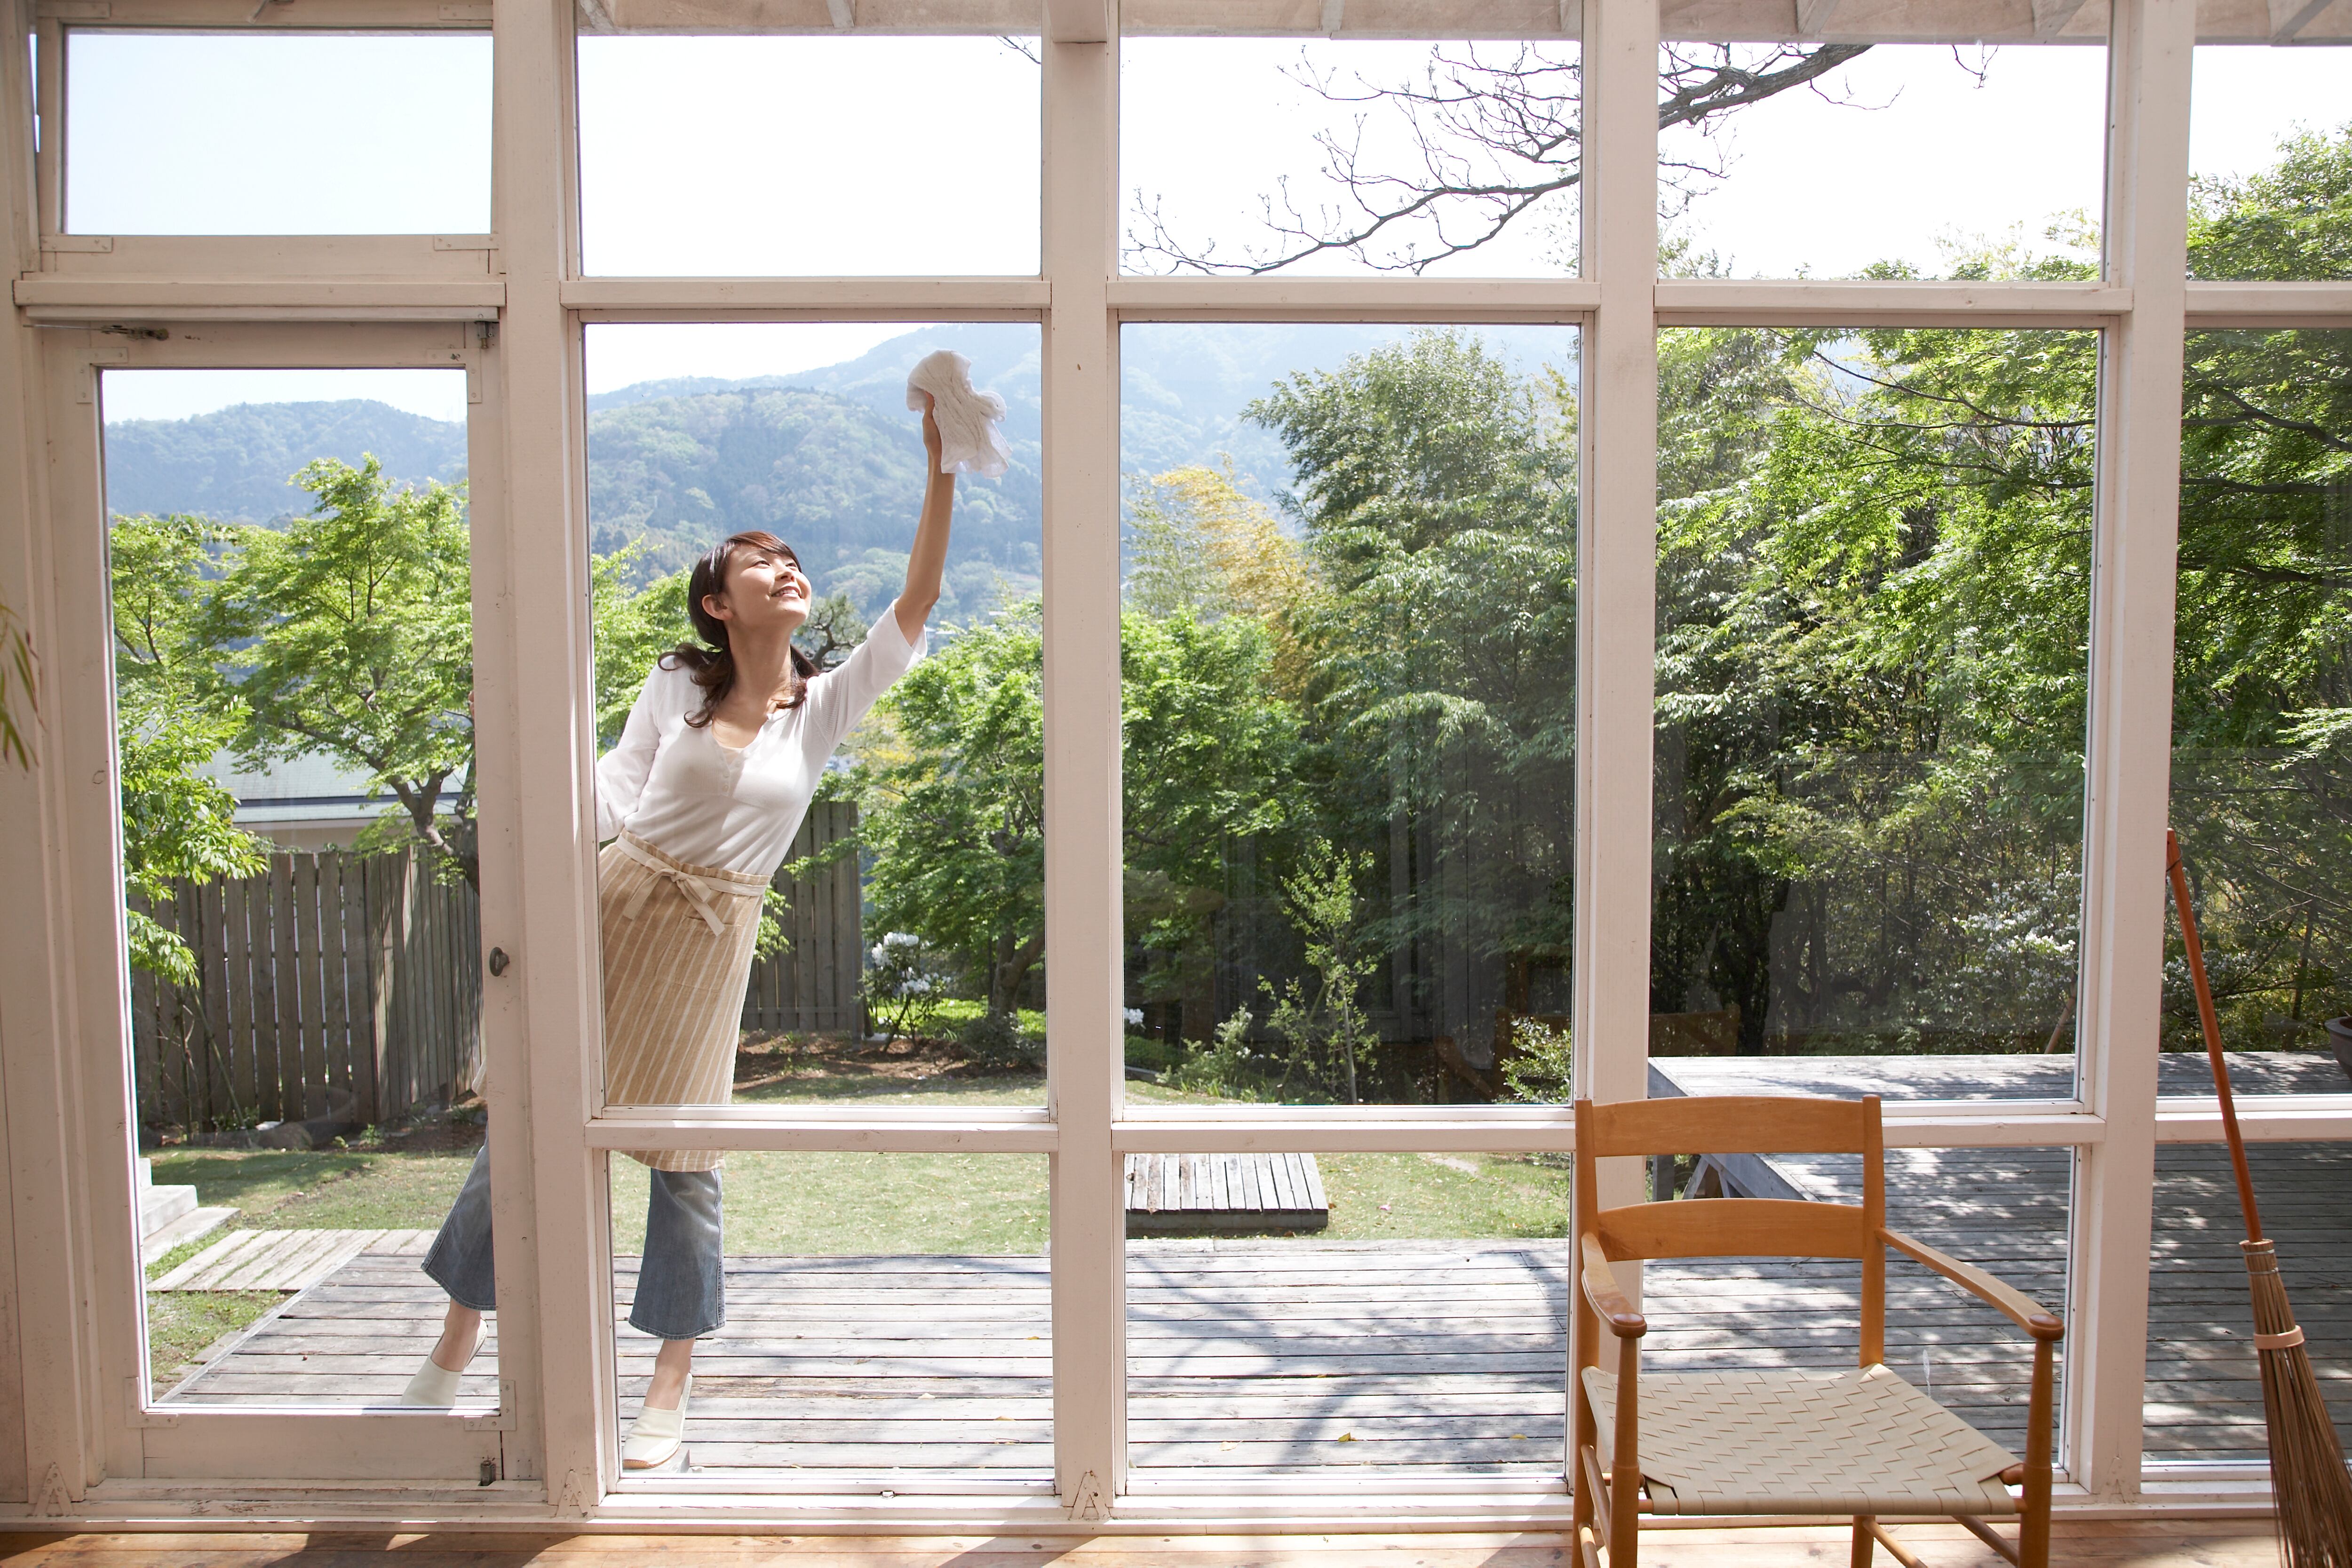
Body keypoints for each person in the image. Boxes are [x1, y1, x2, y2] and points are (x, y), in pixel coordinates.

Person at [399, 396, 956, 1471]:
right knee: (523, 1125)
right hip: (615, 905)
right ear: (718, 599)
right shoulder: (674, 683)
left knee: (687, 1159)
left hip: (711, 944)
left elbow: (919, 598)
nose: (787, 570)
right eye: (762, 561)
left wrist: (939, 468)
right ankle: (456, 1343)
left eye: (793, 560)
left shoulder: (827, 705)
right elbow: (611, 787)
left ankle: (669, 1380)